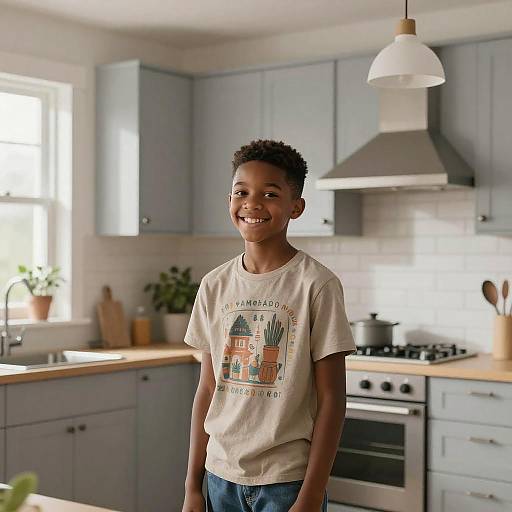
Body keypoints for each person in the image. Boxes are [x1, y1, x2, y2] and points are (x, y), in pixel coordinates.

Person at [182, 139, 356, 512]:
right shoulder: (214, 285)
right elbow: (207, 390)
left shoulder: (317, 285)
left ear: (296, 207)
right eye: (241, 192)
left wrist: (310, 495)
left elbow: (332, 401)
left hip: (286, 483)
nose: (252, 203)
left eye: (270, 193)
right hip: (218, 476)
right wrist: (191, 486)